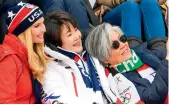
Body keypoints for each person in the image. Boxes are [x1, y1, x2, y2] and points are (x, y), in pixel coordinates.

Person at [41, 10, 145, 104]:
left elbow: (121, 87)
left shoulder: (92, 56)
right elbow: (56, 97)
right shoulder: (50, 70)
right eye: (69, 35)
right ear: (55, 44)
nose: (77, 36)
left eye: (76, 30)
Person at [85, 23, 168, 104]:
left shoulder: (140, 53)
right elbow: (152, 98)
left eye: (122, 38)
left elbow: (163, 54)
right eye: (115, 45)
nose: (123, 45)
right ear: (105, 59)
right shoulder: (121, 82)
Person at [0, 1, 50, 103]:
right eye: (37, 26)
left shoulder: (33, 51)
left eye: (43, 23)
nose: (44, 29)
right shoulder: (8, 60)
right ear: (23, 32)